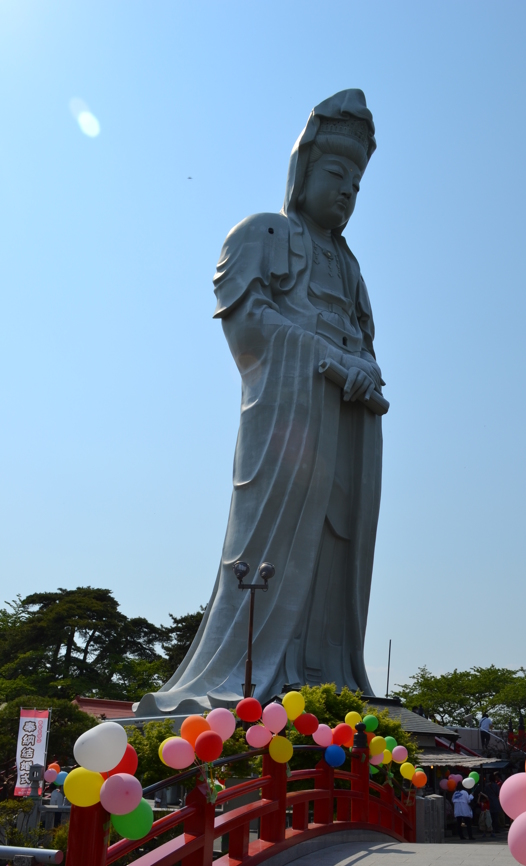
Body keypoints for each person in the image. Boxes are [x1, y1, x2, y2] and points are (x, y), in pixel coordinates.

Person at [135, 90, 384, 714]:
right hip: (289, 415)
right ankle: (251, 677)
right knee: (274, 547)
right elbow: (248, 330)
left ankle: (328, 677)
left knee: (337, 546)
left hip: (346, 426)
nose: (348, 191)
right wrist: (322, 356)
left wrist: (361, 370)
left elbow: (370, 349)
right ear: (302, 174)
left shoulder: (352, 270)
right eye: (336, 174)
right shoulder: (263, 234)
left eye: (357, 182)